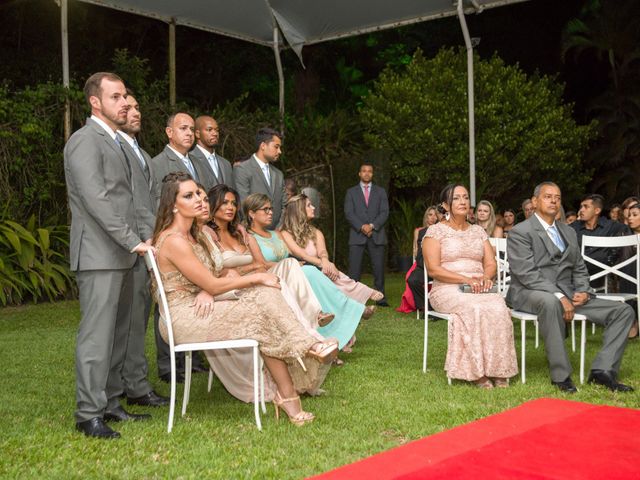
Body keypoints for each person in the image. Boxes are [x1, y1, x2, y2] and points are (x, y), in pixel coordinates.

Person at [152, 172, 338, 425]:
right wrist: (254, 278)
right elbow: (211, 282)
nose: (199, 200)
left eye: (198, 193)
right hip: (184, 316)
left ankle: (292, 389)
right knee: (262, 307)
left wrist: (215, 286)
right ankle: (306, 351)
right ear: (173, 204)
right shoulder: (173, 240)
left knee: (265, 301)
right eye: (189, 196)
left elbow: (216, 274)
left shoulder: (200, 234)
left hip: (206, 302)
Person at [64, 72, 155, 439]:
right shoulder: (84, 141)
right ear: (95, 102)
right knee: (96, 337)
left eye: (124, 97)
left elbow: (134, 200)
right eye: (116, 97)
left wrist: (147, 239)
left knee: (120, 334)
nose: (124, 103)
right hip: (100, 254)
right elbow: (95, 199)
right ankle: (88, 414)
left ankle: (111, 403)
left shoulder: (119, 143)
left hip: (126, 253)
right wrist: (132, 240)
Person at [507, 181, 635, 393]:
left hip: (569, 293)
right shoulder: (521, 232)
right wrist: (558, 295)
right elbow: (527, 273)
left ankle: (602, 371)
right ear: (535, 201)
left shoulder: (568, 232)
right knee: (550, 303)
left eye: (557, 197)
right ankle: (560, 375)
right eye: (548, 196)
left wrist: (584, 290)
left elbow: (579, 267)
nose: (554, 201)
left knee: (623, 311)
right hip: (530, 292)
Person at [423, 184, 518, 388]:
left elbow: (491, 263)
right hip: (447, 288)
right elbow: (433, 269)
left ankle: (498, 368)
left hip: (479, 286)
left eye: (466, 197)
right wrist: (465, 280)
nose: (463, 202)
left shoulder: (478, 231)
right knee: (473, 308)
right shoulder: (435, 231)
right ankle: (475, 372)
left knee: (498, 307)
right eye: (457, 198)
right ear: (445, 205)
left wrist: (485, 277)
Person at [245, 193, 365, 350]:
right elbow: (261, 264)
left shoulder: (278, 234)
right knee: (309, 272)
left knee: (310, 275)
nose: (270, 212)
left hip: (291, 275)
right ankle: (344, 308)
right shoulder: (248, 236)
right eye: (265, 209)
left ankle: (332, 332)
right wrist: (292, 264)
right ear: (251, 213)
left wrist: (315, 260)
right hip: (271, 279)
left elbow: (296, 251)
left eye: (271, 209)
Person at [115, 93, 168, 407]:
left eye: (137, 106)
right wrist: (148, 242)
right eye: (128, 106)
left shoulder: (142, 154)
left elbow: (151, 204)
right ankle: (132, 386)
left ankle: (132, 383)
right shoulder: (114, 150)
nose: (135, 111)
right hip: (129, 247)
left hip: (147, 246)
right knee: (129, 321)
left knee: (138, 320)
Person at [281, 193, 383, 307]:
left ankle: (357, 298)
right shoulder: (285, 234)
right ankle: (360, 296)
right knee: (328, 274)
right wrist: (325, 265)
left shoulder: (316, 232)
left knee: (331, 274)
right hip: (300, 273)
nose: (313, 208)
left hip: (318, 268)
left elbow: (322, 252)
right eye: (309, 205)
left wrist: (326, 262)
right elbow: (301, 255)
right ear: (299, 210)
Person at [344, 163, 389, 306]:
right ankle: (354, 298)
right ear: (359, 173)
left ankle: (380, 298)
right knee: (354, 270)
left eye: (370, 171)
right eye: (364, 171)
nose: (367, 173)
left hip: (376, 234)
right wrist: (361, 226)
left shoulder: (381, 192)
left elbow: (384, 212)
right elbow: (349, 213)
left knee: (379, 269)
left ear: (372, 174)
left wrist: (372, 226)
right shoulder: (351, 192)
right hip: (357, 235)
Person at [151, 113, 214, 202]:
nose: (189, 133)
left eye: (192, 129)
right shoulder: (156, 164)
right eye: (183, 128)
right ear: (169, 132)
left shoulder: (200, 163)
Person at [570, 194, 630, 288]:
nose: (581, 210)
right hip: (576, 276)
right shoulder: (573, 227)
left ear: (597, 210)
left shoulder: (609, 225)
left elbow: (629, 229)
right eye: (581, 207)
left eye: (586, 207)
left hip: (601, 273)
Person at [233, 128, 286, 228]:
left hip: (277, 233)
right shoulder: (242, 169)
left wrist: (279, 228)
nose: (279, 151)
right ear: (263, 146)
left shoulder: (278, 174)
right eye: (276, 147)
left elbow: (284, 205)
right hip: (252, 232)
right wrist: (253, 230)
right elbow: (243, 204)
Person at [190, 115, 235, 190]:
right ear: (197, 134)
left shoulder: (226, 164)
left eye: (217, 130)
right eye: (209, 129)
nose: (215, 134)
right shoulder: (190, 159)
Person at [620, 204, 640, 338]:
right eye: (629, 215)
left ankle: (634, 320)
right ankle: (634, 319)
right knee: (630, 266)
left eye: (635, 215)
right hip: (629, 275)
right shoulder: (623, 235)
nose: (630, 218)